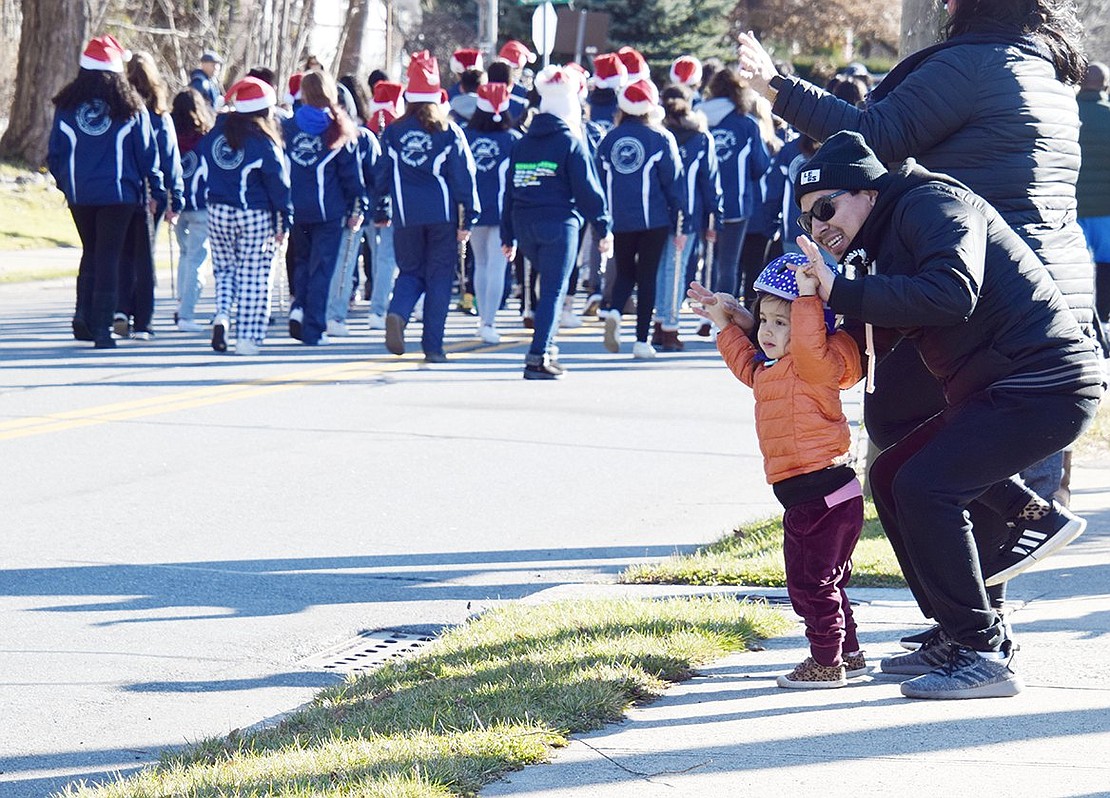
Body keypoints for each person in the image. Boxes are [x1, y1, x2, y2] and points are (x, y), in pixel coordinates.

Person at [737, 0, 1098, 635]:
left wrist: (778, 88)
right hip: (1042, 289)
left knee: (913, 450)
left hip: (968, 289)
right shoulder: (1045, 71)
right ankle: (978, 608)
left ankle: (977, 630)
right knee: (930, 453)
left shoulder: (971, 67)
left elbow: (867, 139)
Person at [788, 131, 1101, 698]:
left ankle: (983, 651)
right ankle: (960, 628)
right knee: (891, 472)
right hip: (1001, 389)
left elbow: (950, 294)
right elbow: (885, 317)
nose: (820, 227)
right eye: (809, 220)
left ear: (867, 189)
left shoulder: (933, 204)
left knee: (927, 487)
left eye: (826, 207)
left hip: (1044, 386)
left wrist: (842, 290)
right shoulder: (888, 230)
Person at [691, 252, 866, 688]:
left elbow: (808, 340)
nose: (767, 330)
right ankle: (849, 652)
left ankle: (825, 662)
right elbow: (747, 366)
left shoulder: (815, 363)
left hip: (819, 495)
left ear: (812, 324)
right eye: (765, 319)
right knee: (829, 583)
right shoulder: (774, 371)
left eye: (781, 322)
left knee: (810, 586)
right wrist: (726, 324)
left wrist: (807, 296)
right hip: (825, 494)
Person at [47, 35, 165, 349]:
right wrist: (157, 188)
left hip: (80, 194)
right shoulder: (130, 106)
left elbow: (55, 154)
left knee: (91, 251)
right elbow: (147, 153)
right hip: (119, 194)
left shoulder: (67, 105)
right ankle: (101, 329)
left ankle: (82, 316)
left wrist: (67, 184)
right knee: (109, 256)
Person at [502, 65, 612, 379]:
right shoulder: (570, 143)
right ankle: (538, 355)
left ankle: (546, 348)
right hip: (559, 224)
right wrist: (603, 226)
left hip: (524, 224)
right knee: (553, 290)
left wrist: (508, 235)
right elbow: (588, 190)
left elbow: (509, 191)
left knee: (543, 288)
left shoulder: (521, 144)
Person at [376, 50, 479, 363]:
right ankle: (433, 346)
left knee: (410, 272)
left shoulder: (393, 132)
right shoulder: (449, 133)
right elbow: (464, 179)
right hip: (442, 216)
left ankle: (398, 311)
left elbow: (381, 174)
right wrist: (468, 218)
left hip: (406, 216)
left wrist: (380, 210)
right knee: (438, 279)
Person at [196, 77, 292, 355]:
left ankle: (223, 314)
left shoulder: (216, 134)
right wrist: (285, 220)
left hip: (217, 211)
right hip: (253, 213)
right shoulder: (263, 142)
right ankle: (249, 338)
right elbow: (278, 185)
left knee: (225, 271)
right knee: (255, 275)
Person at [596, 78, 690, 360]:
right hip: (654, 220)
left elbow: (599, 179)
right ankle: (640, 341)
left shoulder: (608, 139)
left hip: (619, 219)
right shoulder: (660, 137)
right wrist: (680, 218)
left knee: (625, 271)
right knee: (646, 276)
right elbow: (673, 182)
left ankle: (614, 310)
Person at [282, 70, 366, 347]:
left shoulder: (290, 126)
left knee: (303, 263)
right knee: (322, 269)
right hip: (328, 210)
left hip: (298, 207)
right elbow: (350, 175)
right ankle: (314, 329)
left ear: (304, 93)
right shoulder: (338, 126)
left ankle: (298, 308)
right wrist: (358, 204)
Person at [117, 51, 183, 341]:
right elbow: (170, 158)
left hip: (122, 190)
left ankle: (121, 308)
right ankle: (143, 321)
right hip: (150, 193)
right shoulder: (159, 115)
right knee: (145, 257)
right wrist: (173, 196)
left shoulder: (119, 108)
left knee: (122, 254)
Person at [697, 68, 770, 331]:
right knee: (728, 263)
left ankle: (703, 313)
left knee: (705, 262)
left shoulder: (698, 118)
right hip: (735, 203)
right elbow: (760, 165)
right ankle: (721, 320)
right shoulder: (746, 123)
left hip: (702, 204)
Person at [654, 83, 721, 352]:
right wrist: (714, 216)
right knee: (676, 269)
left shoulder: (657, 134)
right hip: (689, 213)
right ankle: (669, 328)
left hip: (659, 213)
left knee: (662, 269)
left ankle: (660, 325)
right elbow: (710, 180)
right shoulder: (701, 138)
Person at [465, 82, 520, 345]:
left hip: (474, 210)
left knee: (481, 263)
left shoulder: (467, 135)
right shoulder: (513, 140)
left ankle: (482, 321)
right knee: (497, 266)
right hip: (502, 212)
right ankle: (489, 321)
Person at [170, 88, 216, 332]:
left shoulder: (171, 137)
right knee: (196, 259)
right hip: (201, 205)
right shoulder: (207, 140)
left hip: (177, 205)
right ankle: (186, 313)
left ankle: (182, 304)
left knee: (185, 255)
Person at [1076, 61, 1110, 331]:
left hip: (1072, 208)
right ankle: (1104, 321)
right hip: (1106, 210)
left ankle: (1081, 323)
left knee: (1077, 269)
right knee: (1106, 267)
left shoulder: (1065, 113)